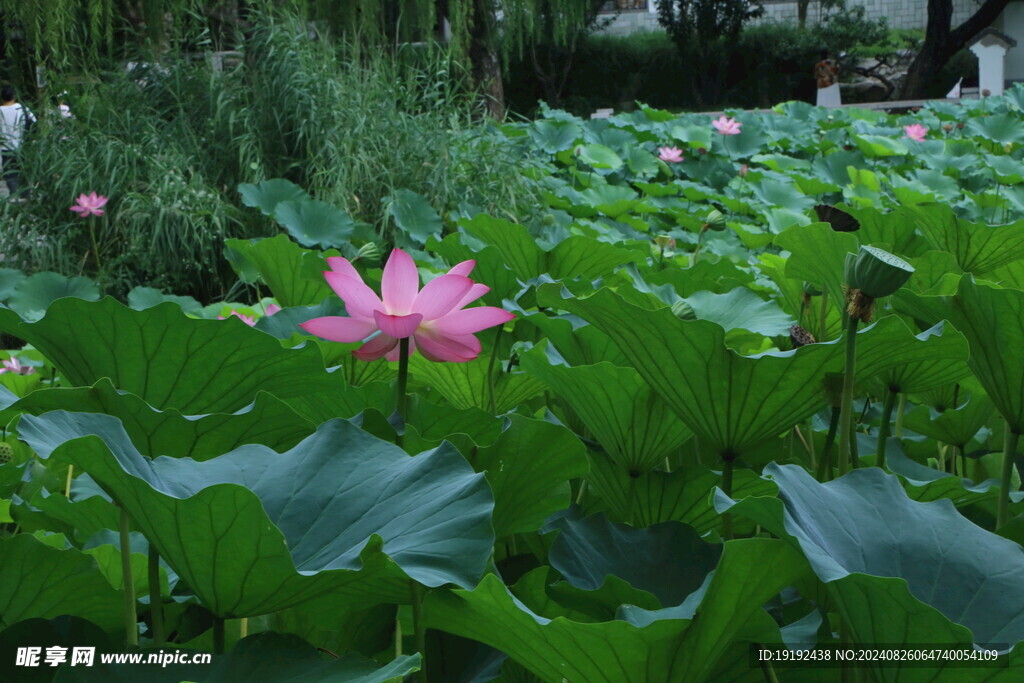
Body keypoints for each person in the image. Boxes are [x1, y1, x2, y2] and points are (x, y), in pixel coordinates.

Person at [0, 85, 36, 199]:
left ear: (2, 98)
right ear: (14, 97)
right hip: (23, 147)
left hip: (5, 148)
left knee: (10, 174)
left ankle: (15, 196)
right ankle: (26, 196)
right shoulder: (23, 109)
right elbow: (34, 124)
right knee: (24, 173)